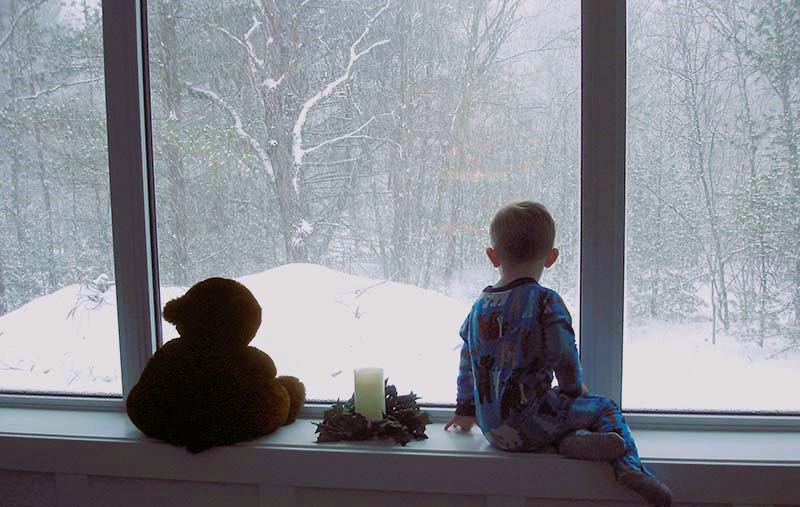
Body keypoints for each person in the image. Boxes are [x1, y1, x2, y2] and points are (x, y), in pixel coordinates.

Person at [444, 201, 672, 507]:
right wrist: (573, 389)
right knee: (603, 408)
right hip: (535, 421)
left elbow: (467, 362)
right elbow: (564, 352)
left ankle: (570, 441)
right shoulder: (544, 302)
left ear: (492, 256)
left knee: (558, 410)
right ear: (551, 257)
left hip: (494, 431)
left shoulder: (479, 308)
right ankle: (629, 469)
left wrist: (465, 410)